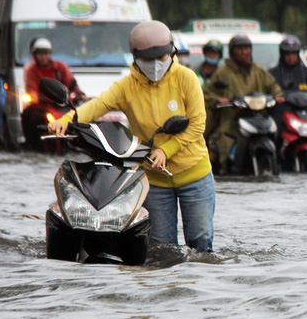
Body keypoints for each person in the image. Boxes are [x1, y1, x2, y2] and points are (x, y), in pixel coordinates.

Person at [47, 20, 215, 252]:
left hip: (195, 175)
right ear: (135, 57)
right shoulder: (128, 86)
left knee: (201, 244)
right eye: (148, 59)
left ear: (172, 52)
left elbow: (197, 124)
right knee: (160, 249)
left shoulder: (187, 78)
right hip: (154, 181)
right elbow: (99, 105)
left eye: (162, 57)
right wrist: (67, 120)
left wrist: (166, 150)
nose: (156, 64)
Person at [203, 34, 283, 173]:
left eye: (246, 48)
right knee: (224, 137)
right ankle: (225, 165)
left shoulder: (258, 70)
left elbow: (273, 85)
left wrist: (277, 96)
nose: (243, 52)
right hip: (232, 118)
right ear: (232, 51)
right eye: (239, 48)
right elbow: (208, 94)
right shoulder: (223, 72)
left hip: (257, 115)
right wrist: (218, 99)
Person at [24, 38, 85, 102]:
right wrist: (34, 97)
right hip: (42, 105)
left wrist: (80, 94)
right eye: (40, 54)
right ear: (34, 55)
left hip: (60, 103)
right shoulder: (31, 71)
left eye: (46, 53)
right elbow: (31, 89)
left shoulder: (60, 66)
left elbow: (71, 83)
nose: (43, 57)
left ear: (50, 54)